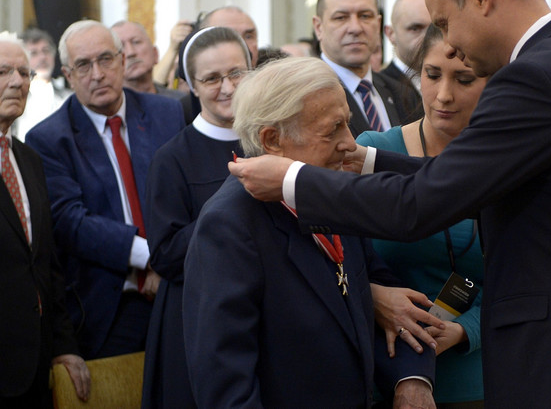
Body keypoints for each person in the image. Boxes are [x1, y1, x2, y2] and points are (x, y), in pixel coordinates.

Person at [229, 0, 551, 408]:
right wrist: (372, 161)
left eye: (445, 21)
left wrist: (292, 180)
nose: (452, 44)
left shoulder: (536, 77)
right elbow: (486, 182)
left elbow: (423, 205)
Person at [183, 56, 436, 408]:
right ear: (272, 140)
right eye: (332, 130)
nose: (350, 142)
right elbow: (225, 384)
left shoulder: (331, 193)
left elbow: (381, 297)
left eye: (347, 123)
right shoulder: (230, 227)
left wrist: (410, 379)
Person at [25, 20, 185, 359]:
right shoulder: (49, 138)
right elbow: (70, 222)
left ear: (122, 61)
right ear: (68, 75)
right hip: (109, 308)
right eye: (83, 65)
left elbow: (188, 198)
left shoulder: (167, 113)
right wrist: (152, 258)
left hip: (179, 290)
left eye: (105, 59)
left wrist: (169, 265)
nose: (97, 74)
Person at [358, 25, 485, 406]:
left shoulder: (509, 164)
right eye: (432, 75)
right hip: (385, 375)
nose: (443, 94)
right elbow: (333, 261)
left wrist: (464, 330)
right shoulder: (374, 153)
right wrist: (375, 297)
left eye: (464, 79)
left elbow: (529, 279)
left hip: (478, 377)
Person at [141, 27, 250, 408]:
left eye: (236, 73)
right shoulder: (172, 159)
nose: (228, 87)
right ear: (191, 86)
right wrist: (234, 203)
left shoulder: (270, 141)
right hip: (199, 320)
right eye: (212, 78)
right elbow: (166, 255)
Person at [0, 32, 90, 408]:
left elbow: (45, 263)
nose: (17, 82)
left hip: (34, 367)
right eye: (3, 72)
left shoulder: (28, 159)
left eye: (24, 72)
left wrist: (63, 345)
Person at [313, 0, 412, 136]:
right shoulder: (306, 96)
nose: (355, 28)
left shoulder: (403, 93)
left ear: (378, 24)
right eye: (341, 18)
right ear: (318, 27)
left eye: (365, 16)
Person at [13, 28, 71, 140]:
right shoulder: (15, 99)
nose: (43, 57)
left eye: (46, 51)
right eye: (34, 53)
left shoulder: (69, 98)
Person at [111, 21, 185, 98]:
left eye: (136, 42)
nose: (130, 53)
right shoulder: (109, 104)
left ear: (155, 54)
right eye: (121, 47)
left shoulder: (180, 102)